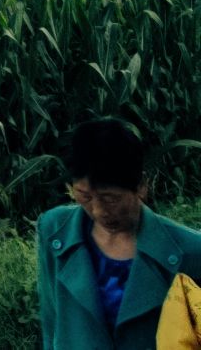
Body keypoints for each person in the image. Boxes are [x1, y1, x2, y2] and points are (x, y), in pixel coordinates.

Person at [40, 119, 201, 350]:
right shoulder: (54, 231)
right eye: (84, 196)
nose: (97, 211)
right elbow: (51, 322)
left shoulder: (190, 250)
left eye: (110, 199)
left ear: (142, 186)